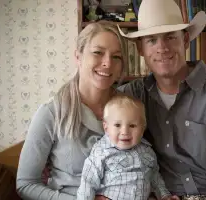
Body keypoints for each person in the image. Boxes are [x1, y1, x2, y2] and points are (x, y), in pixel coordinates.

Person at [117, 0, 206, 199]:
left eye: (170, 37)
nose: (162, 48)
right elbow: (92, 100)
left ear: (185, 40)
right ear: (140, 49)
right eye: (151, 40)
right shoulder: (132, 96)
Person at [16, 21, 128, 200]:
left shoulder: (129, 107)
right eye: (98, 52)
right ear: (78, 56)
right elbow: (26, 184)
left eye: (116, 57)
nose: (108, 63)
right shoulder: (51, 113)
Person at [77, 95, 180, 200]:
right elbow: (88, 181)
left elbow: (155, 177)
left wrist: (164, 195)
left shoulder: (147, 151)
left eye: (132, 126)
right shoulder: (101, 151)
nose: (125, 132)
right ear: (106, 127)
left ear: (143, 128)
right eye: (117, 125)